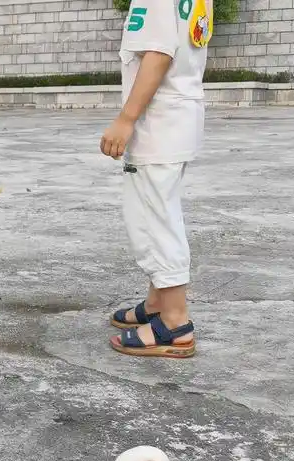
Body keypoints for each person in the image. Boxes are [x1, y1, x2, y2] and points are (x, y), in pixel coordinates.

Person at [99, 0, 212, 358]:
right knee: (161, 210)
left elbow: (158, 56)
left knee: (154, 220)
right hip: (179, 118)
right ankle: (157, 302)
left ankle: (176, 322)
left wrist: (126, 119)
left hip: (158, 124)